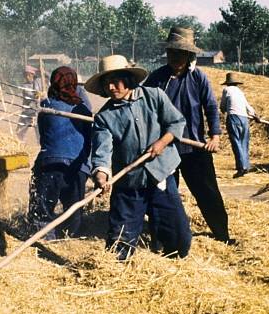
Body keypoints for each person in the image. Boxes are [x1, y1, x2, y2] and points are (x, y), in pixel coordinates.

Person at [86, 54, 192, 261]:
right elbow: (102, 150)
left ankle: (174, 260)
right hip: (129, 183)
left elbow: (176, 122)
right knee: (120, 239)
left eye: (115, 81)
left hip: (160, 175)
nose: (111, 88)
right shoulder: (104, 117)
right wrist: (101, 174)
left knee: (177, 233)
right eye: (106, 84)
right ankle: (118, 269)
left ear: (128, 79)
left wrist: (162, 143)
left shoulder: (154, 97)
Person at [143, 26, 234, 245]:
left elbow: (211, 107)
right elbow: (144, 109)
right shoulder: (156, 79)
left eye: (181, 53)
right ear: (167, 53)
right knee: (162, 195)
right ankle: (162, 240)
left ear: (189, 55)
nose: (176, 57)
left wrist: (215, 136)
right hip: (165, 147)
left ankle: (222, 235)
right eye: (172, 52)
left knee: (208, 193)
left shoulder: (198, 78)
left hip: (194, 148)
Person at [28, 66, 93, 240]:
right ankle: (69, 237)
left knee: (42, 209)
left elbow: (43, 137)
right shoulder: (84, 111)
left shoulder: (46, 106)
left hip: (51, 165)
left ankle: (44, 238)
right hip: (78, 168)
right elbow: (90, 140)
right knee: (74, 210)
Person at [220, 72, 259, 177]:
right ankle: (246, 166)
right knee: (244, 142)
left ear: (227, 83)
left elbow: (222, 106)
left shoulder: (226, 90)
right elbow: (247, 106)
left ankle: (241, 168)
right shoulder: (240, 92)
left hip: (233, 118)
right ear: (236, 83)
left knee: (236, 142)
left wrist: (223, 110)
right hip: (244, 118)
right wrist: (255, 115)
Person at [17, 65, 43, 141]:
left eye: (29, 75)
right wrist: (37, 94)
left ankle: (40, 145)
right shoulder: (25, 86)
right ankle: (20, 143)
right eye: (26, 75)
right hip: (28, 111)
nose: (27, 77)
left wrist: (42, 94)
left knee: (39, 131)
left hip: (38, 111)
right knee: (20, 131)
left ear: (32, 75)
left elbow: (43, 94)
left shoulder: (38, 83)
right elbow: (29, 94)